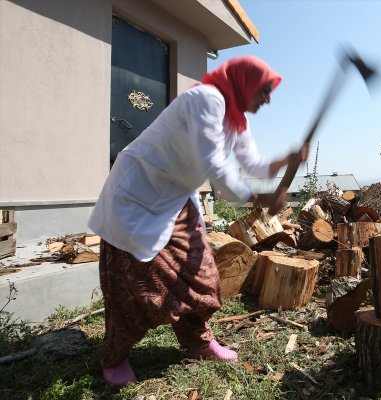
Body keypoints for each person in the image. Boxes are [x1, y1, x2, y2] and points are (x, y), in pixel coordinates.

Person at [88, 56, 308, 387]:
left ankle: (198, 343)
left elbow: (253, 164)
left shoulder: (236, 121)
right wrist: (261, 198)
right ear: (244, 83)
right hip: (137, 195)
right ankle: (115, 356)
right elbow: (216, 168)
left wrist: (286, 160)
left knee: (201, 273)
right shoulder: (206, 99)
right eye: (264, 90)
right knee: (132, 284)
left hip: (174, 200)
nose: (268, 99)